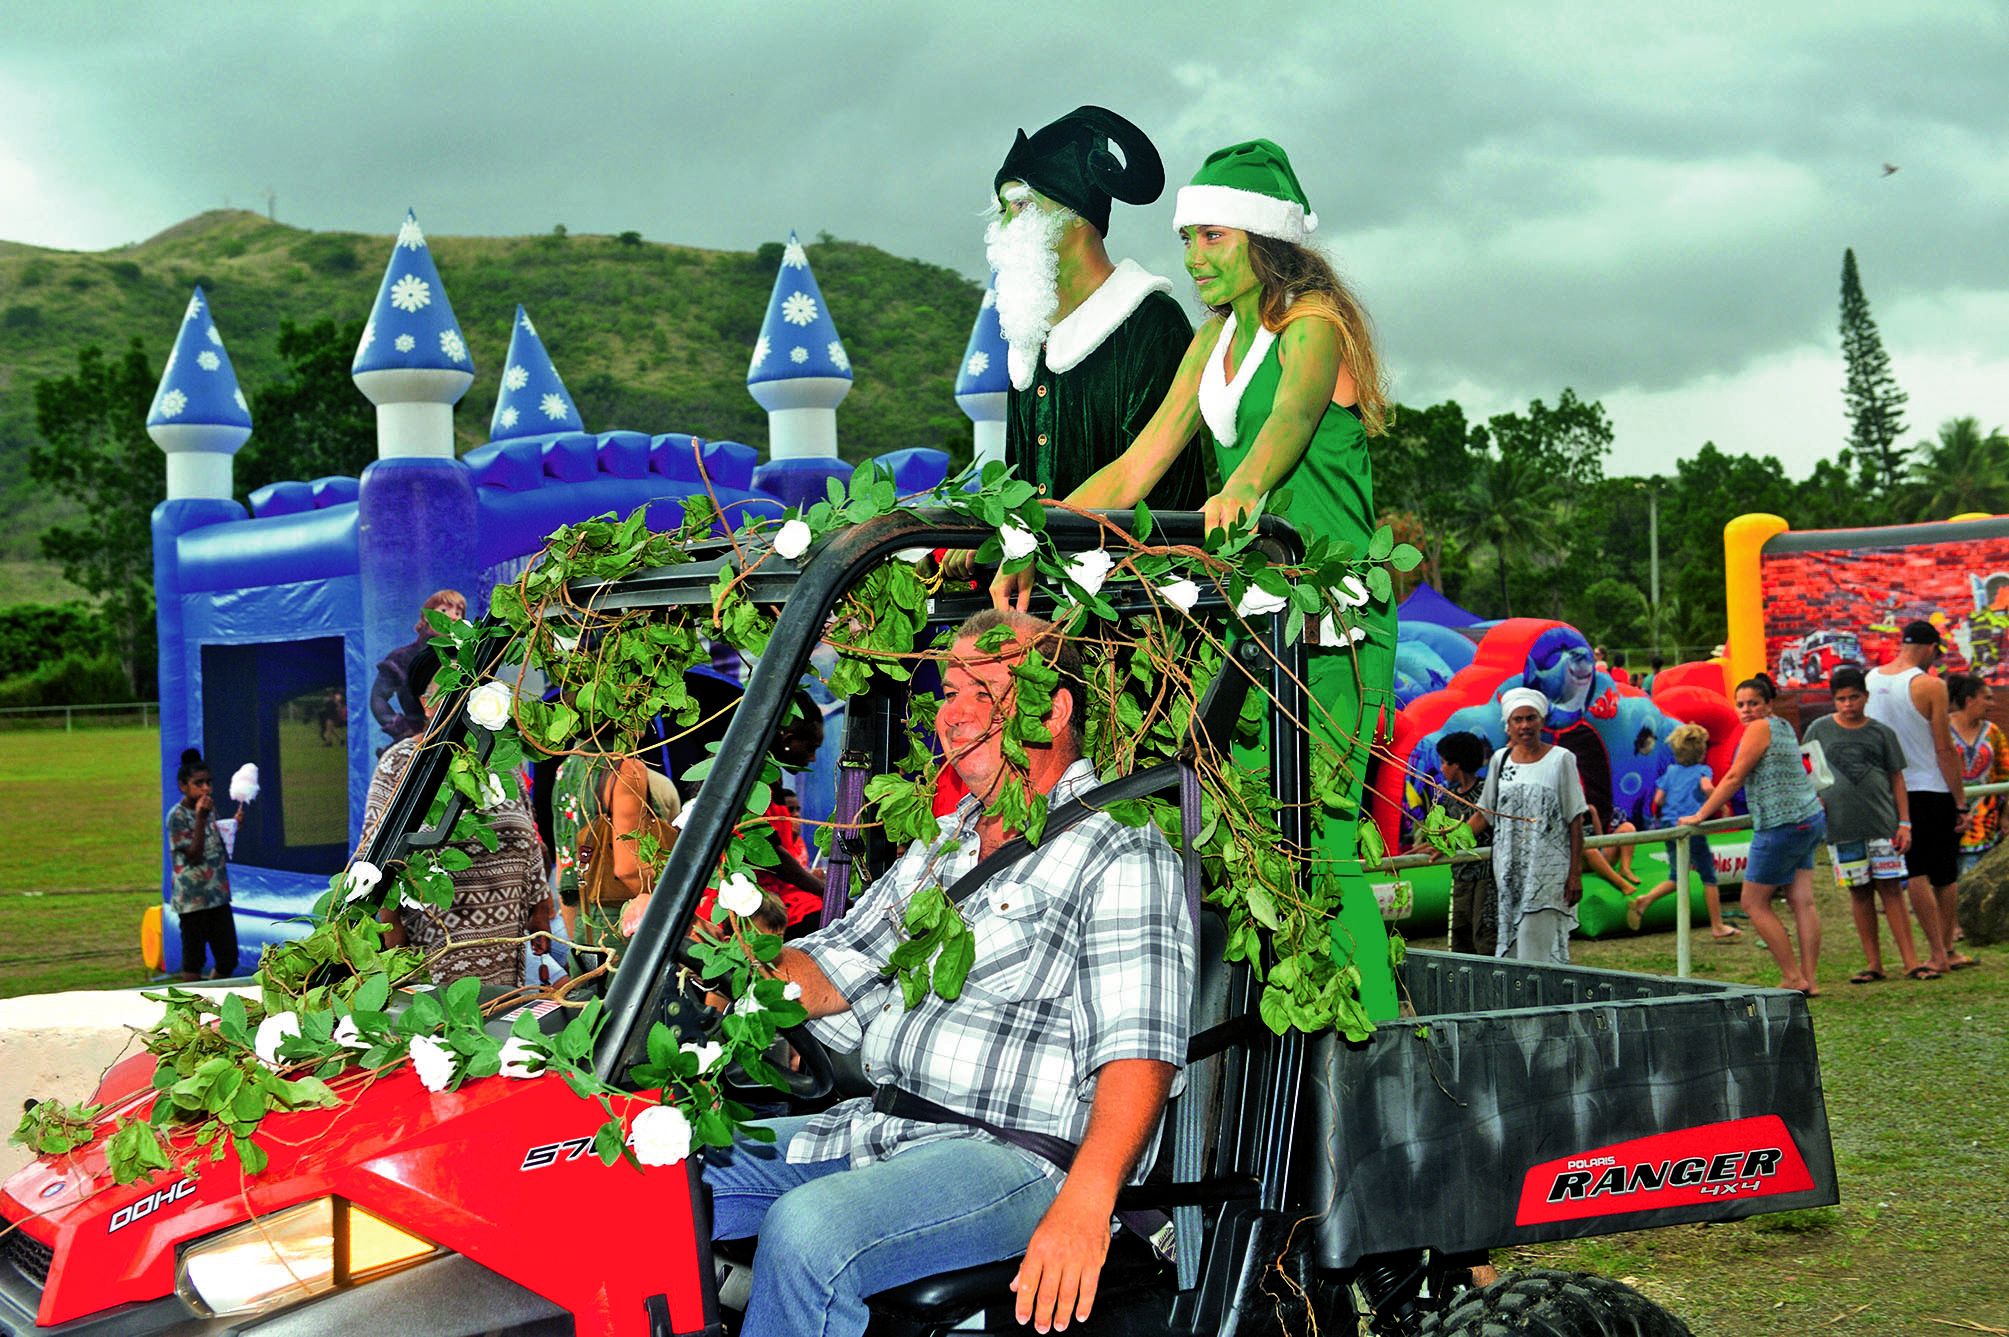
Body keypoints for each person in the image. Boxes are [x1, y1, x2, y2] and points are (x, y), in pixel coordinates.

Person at [704, 610, 1192, 1337]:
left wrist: (1088, 1204)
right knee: (664, 1171)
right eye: (948, 692)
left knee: (810, 1230)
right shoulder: (945, 841)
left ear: (1054, 709)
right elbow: (833, 967)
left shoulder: (1117, 847)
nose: (955, 716)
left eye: (983, 694)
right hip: (882, 1128)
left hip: (1011, 1154)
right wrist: (719, 956)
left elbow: (1138, 1047)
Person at [997, 137, 1397, 1012]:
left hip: (1326, 603)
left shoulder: (1313, 325)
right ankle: (1297, 1026)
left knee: (1318, 829)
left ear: (1262, 238)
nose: (1194, 258)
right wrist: (1033, 531)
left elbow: (1289, 419)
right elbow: (1137, 469)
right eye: (1186, 241)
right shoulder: (1212, 339)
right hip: (1251, 604)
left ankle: (1377, 1035)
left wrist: (1246, 483)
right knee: (1242, 826)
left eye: (1211, 237)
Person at [988, 105, 1206, 512]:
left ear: (1074, 216)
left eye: (1019, 206)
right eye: (1003, 211)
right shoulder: (1029, 335)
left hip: (1131, 574)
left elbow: (1160, 496)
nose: (1004, 228)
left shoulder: (1150, 323)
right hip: (1036, 573)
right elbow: (1016, 492)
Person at [358, 650, 548, 988]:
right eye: (451, 689)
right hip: (435, 957)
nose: (463, 699)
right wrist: (392, 933)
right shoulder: (402, 764)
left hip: (506, 952)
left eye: (469, 689)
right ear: (427, 703)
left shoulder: (502, 761)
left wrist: (541, 909)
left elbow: (529, 841)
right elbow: (374, 857)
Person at [1681, 675, 1825, 995]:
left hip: (1781, 824)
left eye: (1753, 704)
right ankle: (1809, 979)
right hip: (1809, 817)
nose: (1746, 710)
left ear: (1767, 704)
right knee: (1802, 901)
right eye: (1741, 704)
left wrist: (1702, 814)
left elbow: (1734, 776)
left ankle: (1792, 977)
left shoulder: (1760, 728)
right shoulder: (1784, 725)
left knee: (1753, 902)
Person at [1804, 667, 1926, 982]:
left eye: (1854, 697)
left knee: (1891, 890)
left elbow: (1897, 778)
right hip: (1841, 829)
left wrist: (1904, 822)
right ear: (1833, 700)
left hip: (1883, 825)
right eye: (1841, 699)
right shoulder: (1818, 730)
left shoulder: (1882, 733)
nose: (1848, 704)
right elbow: (1808, 770)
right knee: (1859, 893)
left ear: (1865, 697)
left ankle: (1911, 961)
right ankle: (1874, 963)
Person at [1864, 620, 1971, 972]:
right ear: (1930, 648)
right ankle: (1944, 951)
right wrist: (1960, 801)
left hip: (1889, 788)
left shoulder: (1872, 679)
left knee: (1915, 871)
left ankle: (1936, 950)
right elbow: (1944, 748)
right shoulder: (1930, 685)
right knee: (1943, 874)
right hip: (1929, 785)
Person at [1466, 688, 1586, 963]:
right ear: (1507, 725)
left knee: (1536, 948)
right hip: (1509, 872)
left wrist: (1575, 874)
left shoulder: (1561, 760)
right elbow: (1484, 813)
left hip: (1548, 873)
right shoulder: (1501, 760)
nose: (1524, 725)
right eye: (1517, 720)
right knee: (1514, 950)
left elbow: (1575, 819)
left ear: (1541, 721)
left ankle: (1545, 1004)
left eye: (1530, 718)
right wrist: (1445, 840)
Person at [1625, 723, 1739, 939]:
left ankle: (1645, 900)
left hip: (1670, 825)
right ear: (1702, 751)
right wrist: (1721, 805)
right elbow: (1706, 788)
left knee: (1678, 876)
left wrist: (1664, 812)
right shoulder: (1702, 771)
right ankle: (1717, 924)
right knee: (1708, 876)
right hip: (1690, 827)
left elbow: (1658, 799)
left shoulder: (1670, 772)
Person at [166, 748, 240, 980]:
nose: (206, 788)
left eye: (209, 782)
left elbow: (215, 843)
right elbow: (194, 855)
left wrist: (234, 826)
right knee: (194, 960)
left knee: (228, 957)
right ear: (183, 786)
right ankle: (190, 1005)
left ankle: (214, 994)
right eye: (199, 783)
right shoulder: (177, 816)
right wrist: (199, 817)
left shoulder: (209, 808)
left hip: (217, 894)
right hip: (192, 900)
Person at [369, 589, 466, 745]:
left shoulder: (465, 657)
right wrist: (402, 729)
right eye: (444, 610)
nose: (453, 616)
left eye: (458, 612)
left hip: (458, 738)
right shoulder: (401, 657)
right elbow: (378, 698)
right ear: (427, 617)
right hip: (416, 739)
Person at [1433, 731, 1498, 956]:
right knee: (1460, 937)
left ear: (1456, 764)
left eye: (1443, 763)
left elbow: (1471, 828)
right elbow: (1444, 834)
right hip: (1460, 875)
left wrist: (1444, 842)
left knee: (1485, 935)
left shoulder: (1485, 791)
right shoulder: (1450, 796)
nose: (1442, 768)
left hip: (1485, 875)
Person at [1950, 672, 2007, 878]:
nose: (1992, 704)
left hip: (1985, 822)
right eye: (1987, 698)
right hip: (1949, 818)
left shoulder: (1993, 732)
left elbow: (2005, 774)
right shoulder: (1940, 730)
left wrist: (2006, 814)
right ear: (1970, 700)